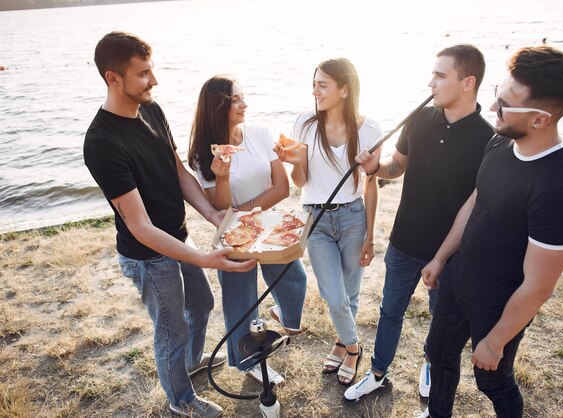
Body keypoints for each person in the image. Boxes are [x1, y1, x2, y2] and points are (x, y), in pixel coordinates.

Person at [83, 32, 256, 418]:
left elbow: (178, 173)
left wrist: (213, 215)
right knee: (171, 330)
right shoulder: (101, 142)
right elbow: (140, 226)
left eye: (152, 69)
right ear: (113, 78)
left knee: (203, 304)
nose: (154, 81)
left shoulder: (152, 111)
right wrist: (205, 259)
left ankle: (187, 367)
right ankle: (181, 400)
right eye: (143, 73)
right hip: (148, 256)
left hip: (177, 237)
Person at [414, 46, 563, 418]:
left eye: (505, 104)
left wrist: (494, 343)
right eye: (497, 94)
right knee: (439, 354)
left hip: (498, 304)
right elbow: (475, 203)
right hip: (458, 280)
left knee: (491, 381)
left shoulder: (560, 189)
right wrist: (442, 257)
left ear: (540, 119)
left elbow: (539, 285)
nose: (493, 108)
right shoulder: (502, 139)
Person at [344, 44, 494, 402]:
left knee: (439, 320)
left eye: (440, 76)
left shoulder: (488, 139)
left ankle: (429, 364)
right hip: (403, 242)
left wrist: (445, 257)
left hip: (450, 254)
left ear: (468, 82)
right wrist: (375, 169)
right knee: (389, 311)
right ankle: (378, 372)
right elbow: (397, 166)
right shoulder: (420, 118)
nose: (430, 83)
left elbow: (478, 207)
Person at [188, 74, 308, 386]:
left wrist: (248, 212)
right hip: (234, 237)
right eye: (235, 100)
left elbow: (281, 188)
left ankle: (284, 317)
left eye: (243, 97)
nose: (244, 104)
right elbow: (219, 209)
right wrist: (223, 178)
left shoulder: (260, 133)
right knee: (240, 300)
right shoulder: (204, 155)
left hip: (267, 227)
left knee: (294, 278)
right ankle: (248, 361)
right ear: (218, 108)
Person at [276, 57, 380, 386]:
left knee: (349, 294)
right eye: (314, 83)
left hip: (353, 217)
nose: (315, 91)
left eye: (323, 84)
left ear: (345, 89)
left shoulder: (370, 129)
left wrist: (370, 237)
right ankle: (354, 347)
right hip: (316, 219)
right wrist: (294, 161)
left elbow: (371, 183)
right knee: (333, 296)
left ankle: (339, 343)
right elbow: (301, 180)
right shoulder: (304, 123)